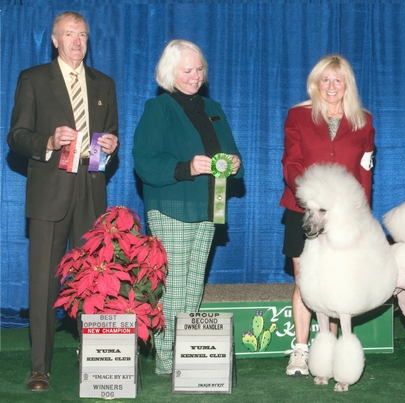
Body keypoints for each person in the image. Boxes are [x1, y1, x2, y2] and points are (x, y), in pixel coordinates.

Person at [7, 11, 119, 391]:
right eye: (69, 34)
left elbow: (110, 138)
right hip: (49, 192)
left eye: (83, 35)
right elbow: (16, 137)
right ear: (55, 39)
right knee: (44, 282)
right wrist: (49, 142)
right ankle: (41, 366)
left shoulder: (104, 84)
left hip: (91, 188)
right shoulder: (34, 79)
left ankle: (98, 358)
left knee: (95, 280)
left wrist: (111, 145)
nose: (77, 41)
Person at [133, 39, 244, 376]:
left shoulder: (214, 107)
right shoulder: (159, 109)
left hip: (209, 205)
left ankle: (186, 353)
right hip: (172, 205)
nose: (195, 76)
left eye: (199, 70)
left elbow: (229, 150)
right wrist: (186, 167)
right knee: (176, 285)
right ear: (170, 72)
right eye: (187, 71)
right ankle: (166, 359)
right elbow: (144, 161)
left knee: (194, 285)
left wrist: (236, 162)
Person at [279, 54, 375, 376]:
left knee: (336, 282)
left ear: (346, 83)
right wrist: (308, 194)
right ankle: (301, 351)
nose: (331, 86)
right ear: (315, 83)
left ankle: (331, 349)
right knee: (305, 282)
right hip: (302, 211)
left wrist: (362, 214)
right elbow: (291, 163)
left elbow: (365, 174)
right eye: (325, 80)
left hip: (343, 218)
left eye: (337, 79)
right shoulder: (297, 116)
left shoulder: (364, 120)